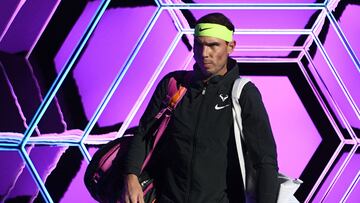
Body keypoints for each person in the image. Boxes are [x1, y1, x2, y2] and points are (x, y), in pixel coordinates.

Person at [121, 13, 279, 203]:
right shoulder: (174, 85)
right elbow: (143, 134)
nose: (204, 53)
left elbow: (265, 161)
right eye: (199, 44)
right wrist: (131, 177)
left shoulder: (243, 93)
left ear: (231, 46)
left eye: (213, 45)